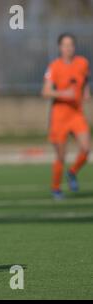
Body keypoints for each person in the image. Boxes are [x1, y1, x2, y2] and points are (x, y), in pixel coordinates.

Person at [42, 33, 91, 199]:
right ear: (59, 47)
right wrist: (64, 93)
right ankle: (56, 188)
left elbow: (84, 81)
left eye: (71, 44)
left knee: (86, 149)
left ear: (74, 47)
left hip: (76, 113)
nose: (68, 48)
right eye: (65, 45)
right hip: (59, 115)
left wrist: (86, 93)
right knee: (61, 156)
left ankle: (72, 172)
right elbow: (45, 92)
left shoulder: (83, 63)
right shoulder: (54, 66)